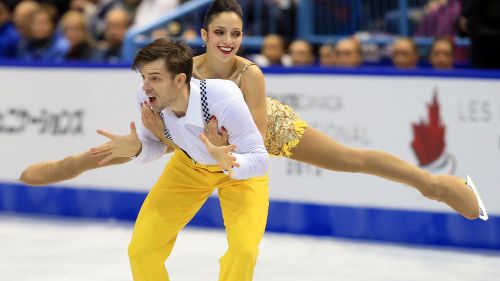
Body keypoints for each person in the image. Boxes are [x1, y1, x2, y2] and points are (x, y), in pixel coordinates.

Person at [20, 0, 486, 221]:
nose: (229, 41)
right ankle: (54, 169)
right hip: (199, 144)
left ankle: (435, 184)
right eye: (220, 32)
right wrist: (154, 140)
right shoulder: (180, 69)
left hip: (264, 133)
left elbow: (254, 143)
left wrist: (211, 149)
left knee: (352, 159)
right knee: (107, 154)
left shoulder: (250, 74)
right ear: (203, 33)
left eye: (237, 34)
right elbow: (170, 123)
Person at [92, 39, 269, 281]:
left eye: (154, 78)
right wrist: (137, 148)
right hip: (187, 168)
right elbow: (154, 147)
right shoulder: (147, 100)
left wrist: (230, 161)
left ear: (179, 80)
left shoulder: (222, 97)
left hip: (239, 175)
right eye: (143, 77)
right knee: (141, 250)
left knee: (244, 252)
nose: (145, 87)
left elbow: (260, 158)